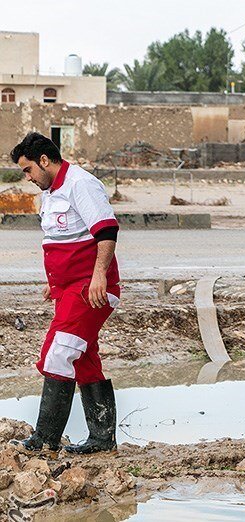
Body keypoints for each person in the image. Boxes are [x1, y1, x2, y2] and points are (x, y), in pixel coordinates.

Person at [9, 132, 121, 456]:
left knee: (60, 352)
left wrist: (99, 274)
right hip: (69, 289)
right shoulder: (50, 191)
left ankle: (45, 440)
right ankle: (102, 441)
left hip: (92, 288)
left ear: (44, 161)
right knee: (84, 360)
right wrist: (54, 281)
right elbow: (64, 239)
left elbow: (107, 230)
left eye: (28, 170)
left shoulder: (80, 184)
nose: (27, 177)